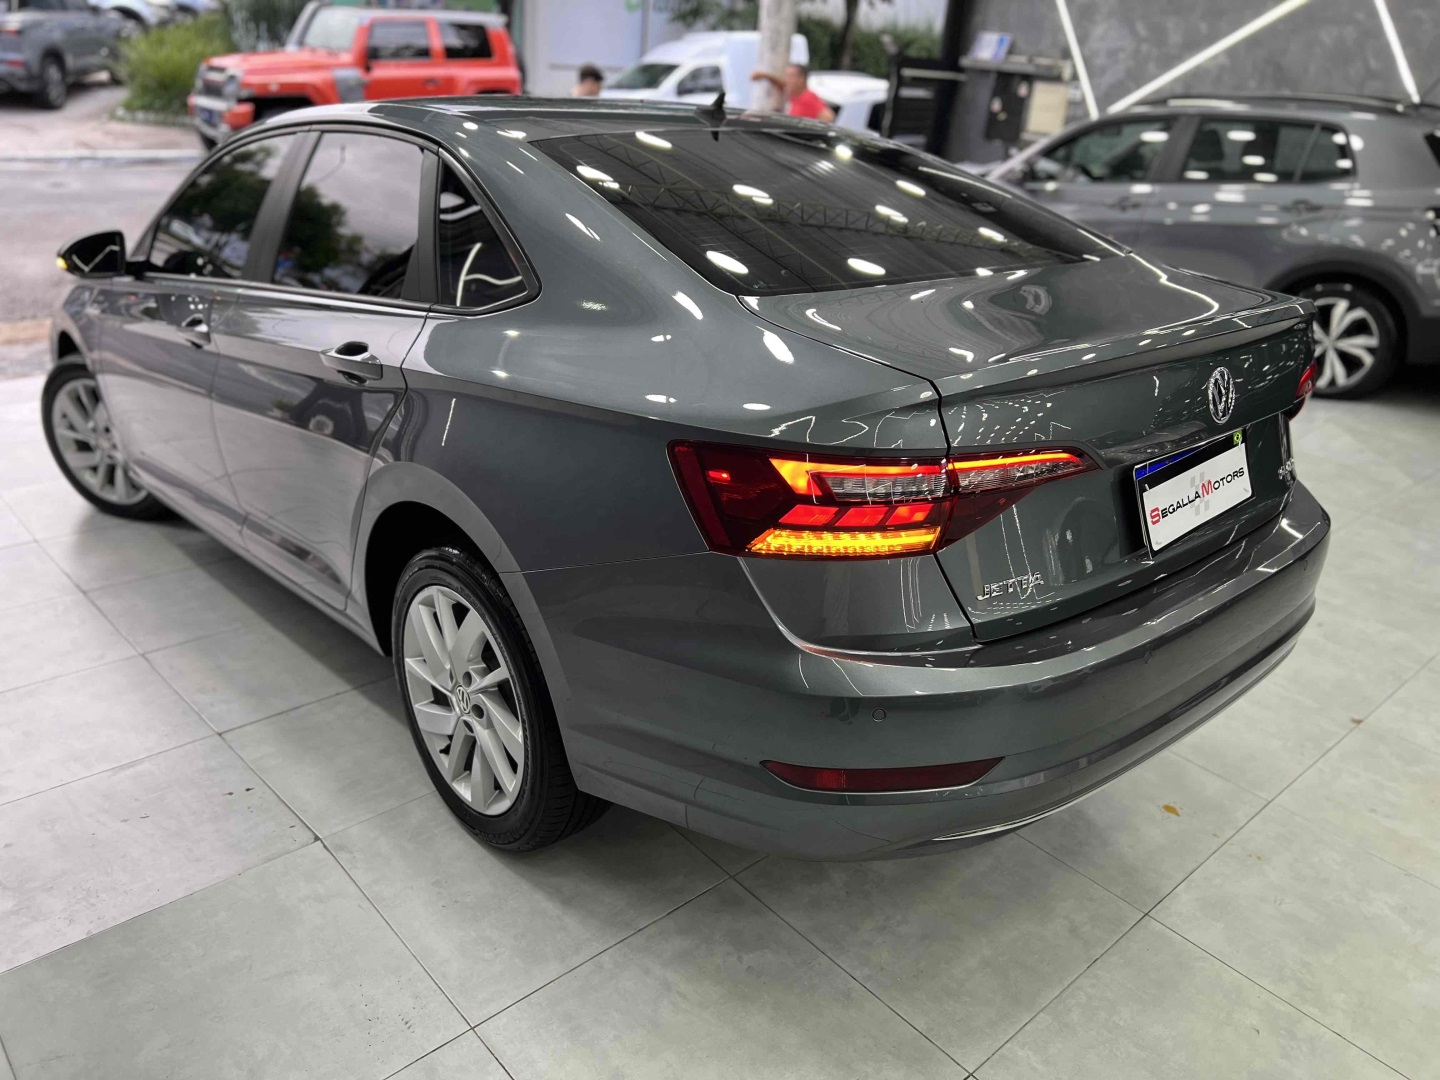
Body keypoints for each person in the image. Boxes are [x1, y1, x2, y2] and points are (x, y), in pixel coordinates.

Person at [750, 63, 835, 122]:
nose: (786, 80)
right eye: (786, 76)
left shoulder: (808, 97)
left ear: (801, 79)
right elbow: (782, 85)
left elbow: (828, 117)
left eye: (791, 76)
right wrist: (764, 76)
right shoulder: (795, 96)